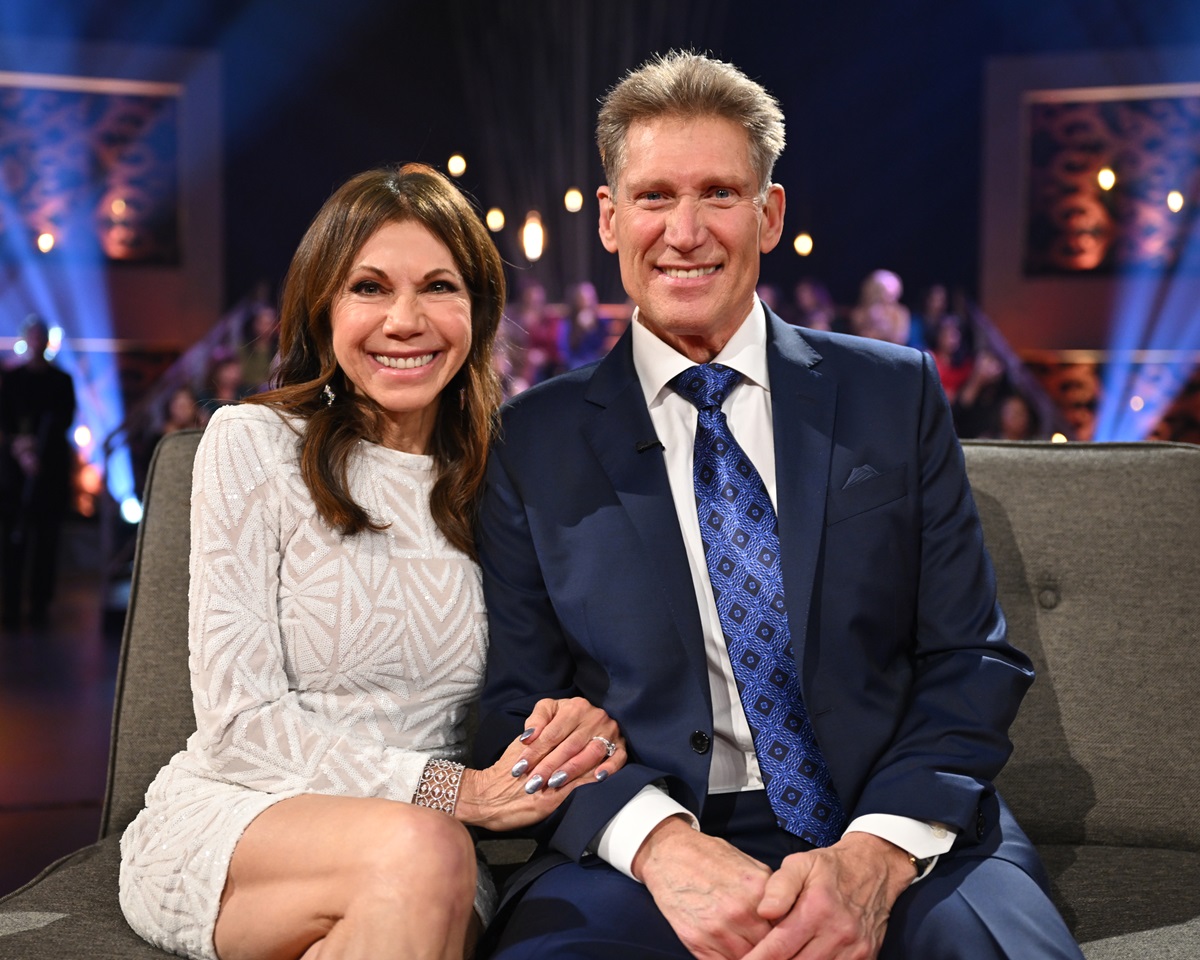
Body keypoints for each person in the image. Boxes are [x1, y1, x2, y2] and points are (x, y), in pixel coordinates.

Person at [474, 52, 1083, 959]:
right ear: (609, 218)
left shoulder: (894, 394)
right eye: (654, 197)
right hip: (649, 834)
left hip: (893, 817)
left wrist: (877, 853)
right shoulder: (532, 440)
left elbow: (971, 657)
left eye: (719, 193)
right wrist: (659, 845)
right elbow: (515, 704)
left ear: (770, 213)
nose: (685, 232)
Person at [118, 164, 625, 960]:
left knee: (424, 864)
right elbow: (238, 725)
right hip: (252, 816)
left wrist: (577, 724)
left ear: (477, 309)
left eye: (438, 287)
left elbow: (547, 676)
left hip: (438, 853)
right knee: (421, 852)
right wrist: (457, 792)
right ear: (324, 309)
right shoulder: (253, 445)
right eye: (369, 288)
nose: (405, 320)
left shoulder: (505, 475)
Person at [0, 316, 77, 629]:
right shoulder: (12, 380)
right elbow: (5, 420)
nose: (35, 343)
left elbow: (64, 420)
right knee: (13, 543)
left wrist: (36, 450)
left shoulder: (61, 381)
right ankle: (11, 605)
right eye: (31, 337)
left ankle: (40, 606)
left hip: (49, 473)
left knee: (46, 542)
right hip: (14, 478)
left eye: (39, 337)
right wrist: (20, 448)